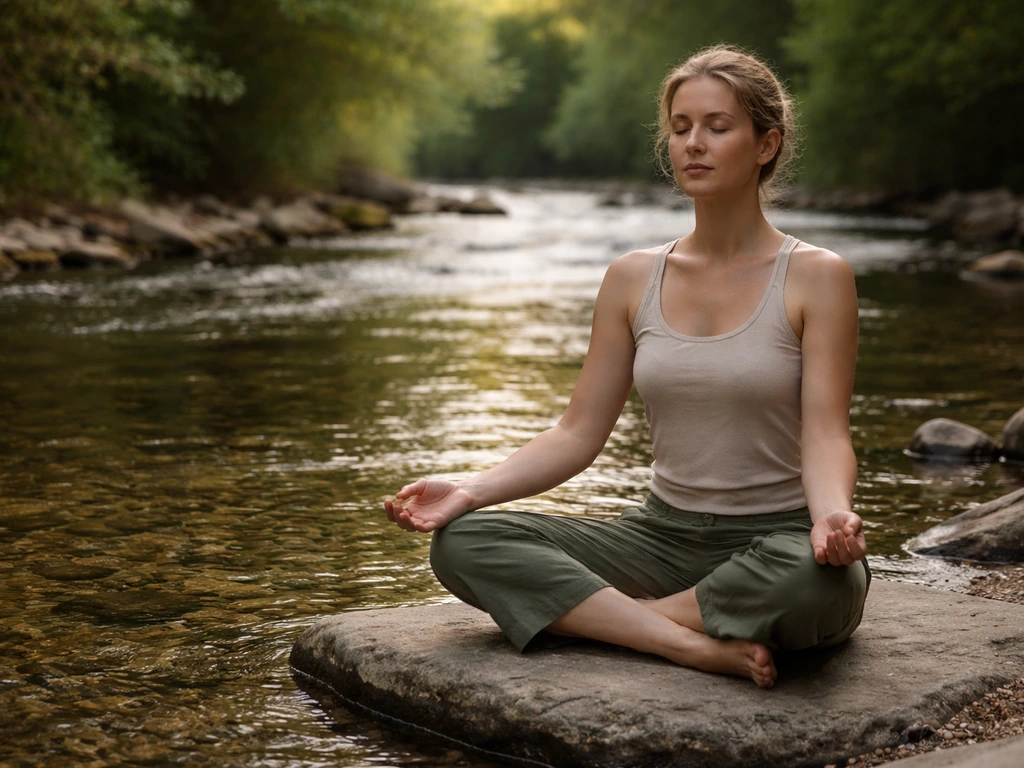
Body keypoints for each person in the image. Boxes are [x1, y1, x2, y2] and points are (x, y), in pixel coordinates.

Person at [383, 43, 869, 688]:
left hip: (776, 539)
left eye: (717, 127)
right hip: (659, 538)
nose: (693, 143)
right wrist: (472, 489)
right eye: (680, 128)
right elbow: (577, 433)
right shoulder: (632, 277)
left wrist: (832, 514)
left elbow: (826, 433)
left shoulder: (818, 276)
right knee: (466, 543)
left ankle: (632, 622)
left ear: (765, 144)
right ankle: (685, 642)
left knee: (822, 583)